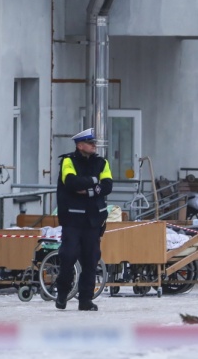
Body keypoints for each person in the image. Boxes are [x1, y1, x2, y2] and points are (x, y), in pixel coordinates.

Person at [55, 127, 113, 311]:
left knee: (91, 259)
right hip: (72, 219)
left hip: (93, 220)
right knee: (68, 256)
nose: (94, 146)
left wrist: (89, 186)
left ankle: (85, 299)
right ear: (80, 145)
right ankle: (62, 293)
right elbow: (71, 182)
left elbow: (108, 185)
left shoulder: (102, 163)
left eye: (94, 143)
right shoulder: (68, 161)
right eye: (90, 143)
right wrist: (95, 182)